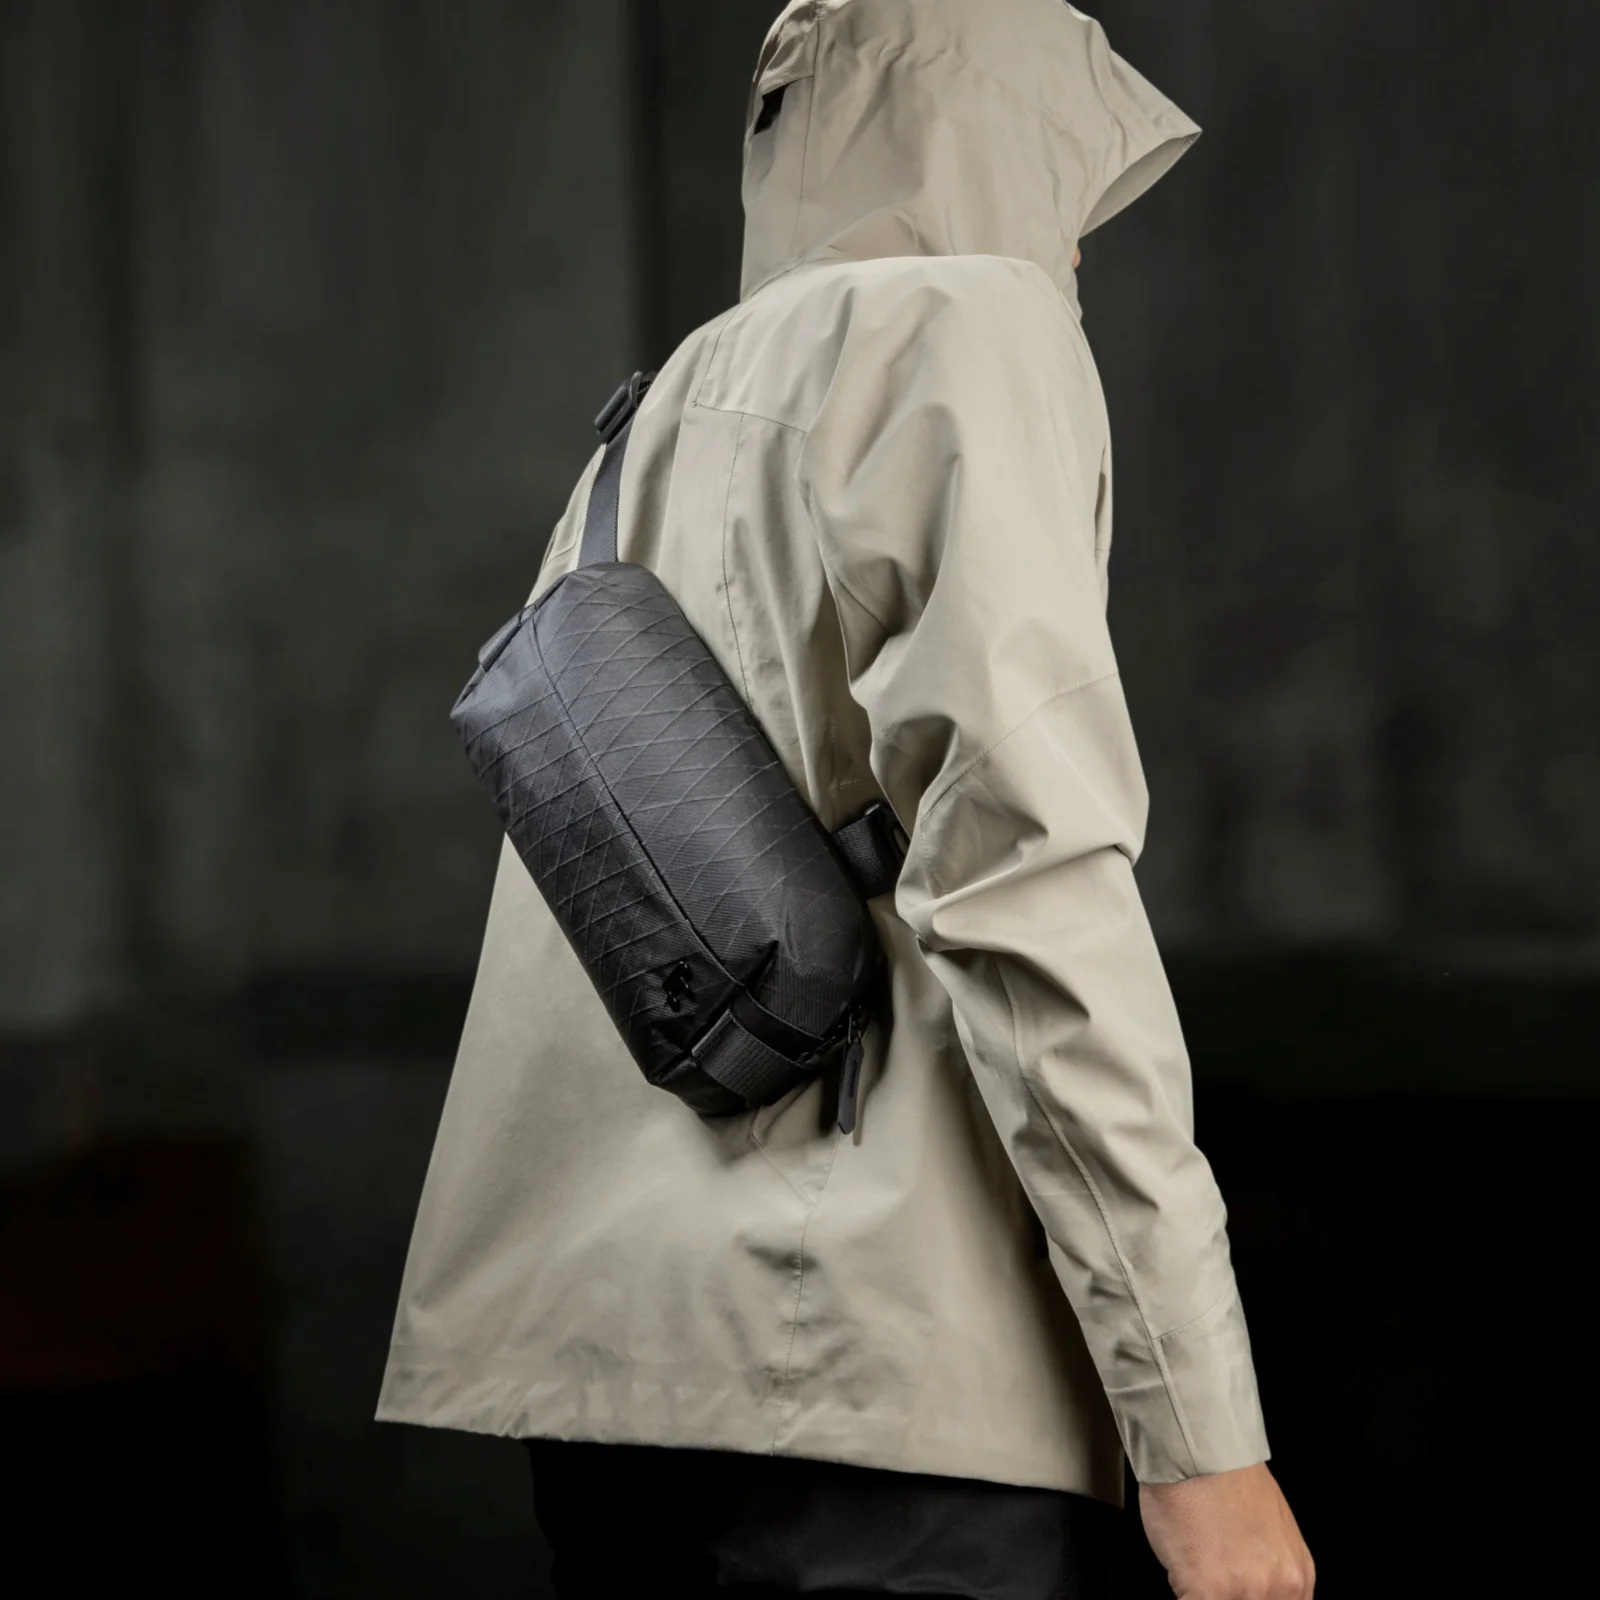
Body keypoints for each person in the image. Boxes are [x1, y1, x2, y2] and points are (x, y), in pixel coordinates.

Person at [378, 3, 1315, 1597]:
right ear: (1001, 140)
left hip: (608, 1386)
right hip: (872, 1370)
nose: (1074, 251)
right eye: (1072, 190)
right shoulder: (967, 328)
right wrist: (1201, 1441)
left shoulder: (651, 416)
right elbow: (1025, 882)